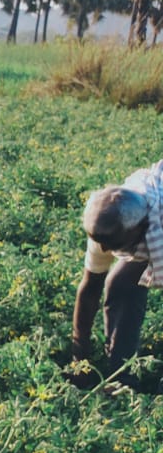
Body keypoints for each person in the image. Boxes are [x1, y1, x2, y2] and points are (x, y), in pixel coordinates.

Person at [72, 158, 163, 387]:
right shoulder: (107, 227)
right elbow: (90, 287)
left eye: (114, 244)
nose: (105, 250)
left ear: (142, 228)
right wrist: (79, 355)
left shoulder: (151, 223)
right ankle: (121, 374)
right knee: (121, 285)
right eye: (102, 243)